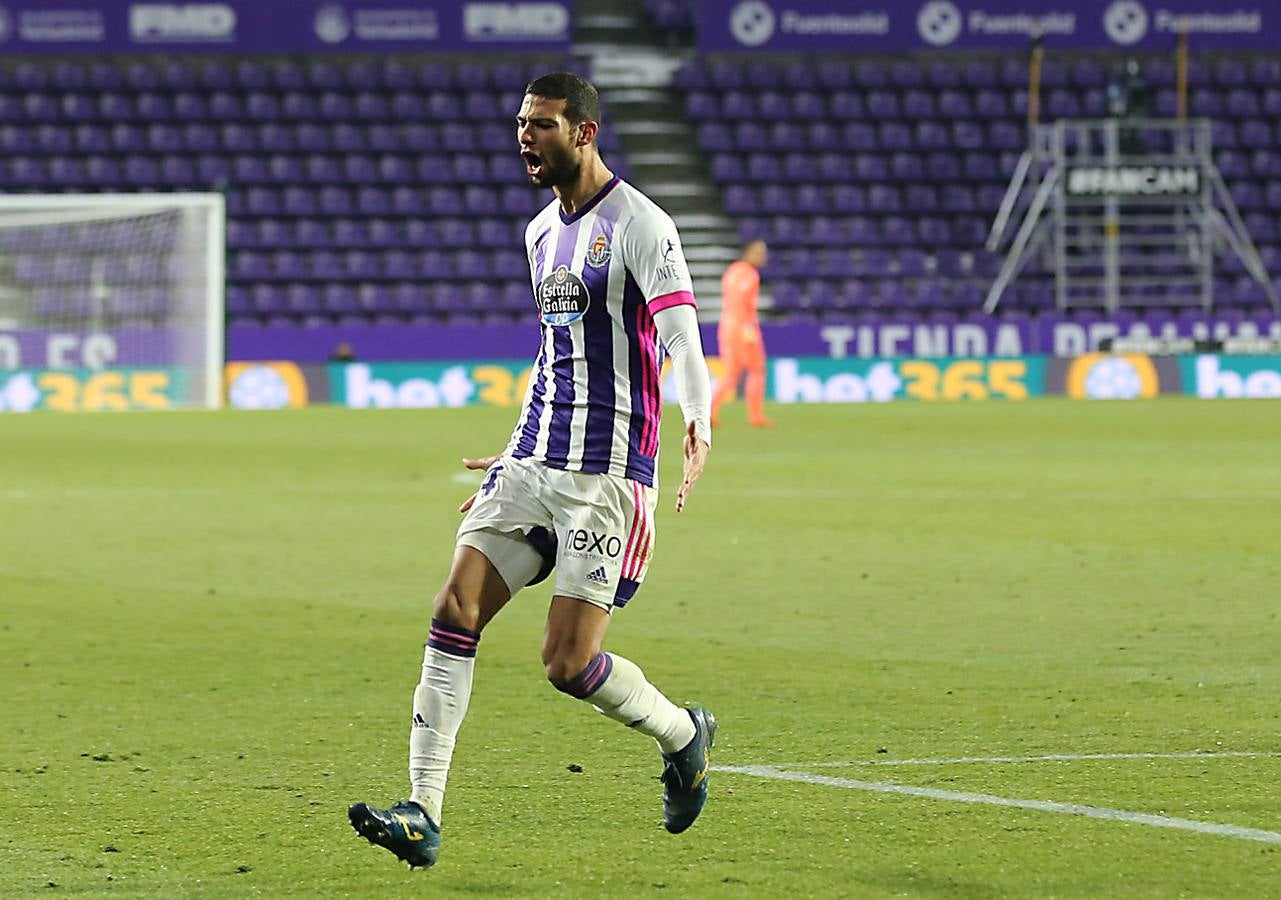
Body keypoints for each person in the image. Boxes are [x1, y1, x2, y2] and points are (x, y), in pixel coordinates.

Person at [347, 72, 717, 870]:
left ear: (584, 132)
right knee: (455, 605)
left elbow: (682, 334)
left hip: (607, 474)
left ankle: (684, 736)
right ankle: (422, 810)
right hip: (533, 460)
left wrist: (699, 421)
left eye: (542, 125)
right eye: (520, 123)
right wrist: (516, 439)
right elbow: (553, 353)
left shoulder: (642, 225)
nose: (525, 137)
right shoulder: (538, 232)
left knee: (567, 664)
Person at [711, 240, 773, 428]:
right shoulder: (748, 274)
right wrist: (748, 329)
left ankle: (710, 412)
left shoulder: (732, 271)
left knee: (734, 372)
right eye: (759, 252)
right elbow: (740, 302)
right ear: (747, 252)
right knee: (754, 369)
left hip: (728, 325)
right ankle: (755, 415)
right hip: (742, 327)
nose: (763, 256)